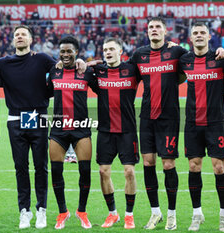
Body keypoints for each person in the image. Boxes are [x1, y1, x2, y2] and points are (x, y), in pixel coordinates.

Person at [0, 25, 85, 229]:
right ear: (13, 41)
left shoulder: (41, 59)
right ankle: (24, 211)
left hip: (38, 117)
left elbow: (65, 65)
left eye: (23, 34)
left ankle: (41, 210)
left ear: (31, 39)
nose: (19, 37)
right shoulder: (3, 63)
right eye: (16, 35)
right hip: (15, 119)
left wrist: (81, 61)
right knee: (20, 168)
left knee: (41, 167)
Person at [129, 17, 189, 230]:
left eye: (157, 27)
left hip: (169, 117)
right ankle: (156, 213)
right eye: (151, 27)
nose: (154, 30)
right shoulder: (139, 55)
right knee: (147, 164)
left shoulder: (177, 52)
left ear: (165, 31)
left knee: (168, 164)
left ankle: (172, 214)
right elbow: (122, 72)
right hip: (146, 117)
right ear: (147, 32)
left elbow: (194, 63)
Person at [179, 22, 224, 232]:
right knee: (193, 166)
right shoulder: (185, 60)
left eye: (202, 33)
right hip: (192, 123)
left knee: (219, 167)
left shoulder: (220, 59)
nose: (199, 36)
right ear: (191, 38)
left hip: (215, 123)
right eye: (195, 33)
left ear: (209, 37)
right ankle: (197, 214)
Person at [47, 36, 96, 229]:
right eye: (63, 51)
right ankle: (62, 212)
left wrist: (88, 62)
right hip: (58, 129)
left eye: (69, 51)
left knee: (84, 171)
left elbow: (103, 83)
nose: (65, 54)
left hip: (81, 127)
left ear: (76, 52)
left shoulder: (86, 72)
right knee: (57, 171)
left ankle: (81, 211)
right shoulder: (54, 70)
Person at [92, 38, 139, 229]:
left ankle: (129, 215)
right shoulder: (98, 71)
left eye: (112, 49)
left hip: (127, 130)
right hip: (105, 131)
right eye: (105, 49)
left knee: (129, 171)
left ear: (121, 51)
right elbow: (77, 68)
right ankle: (113, 214)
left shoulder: (132, 70)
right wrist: (85, 63)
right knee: (103, 171)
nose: (108, 52)